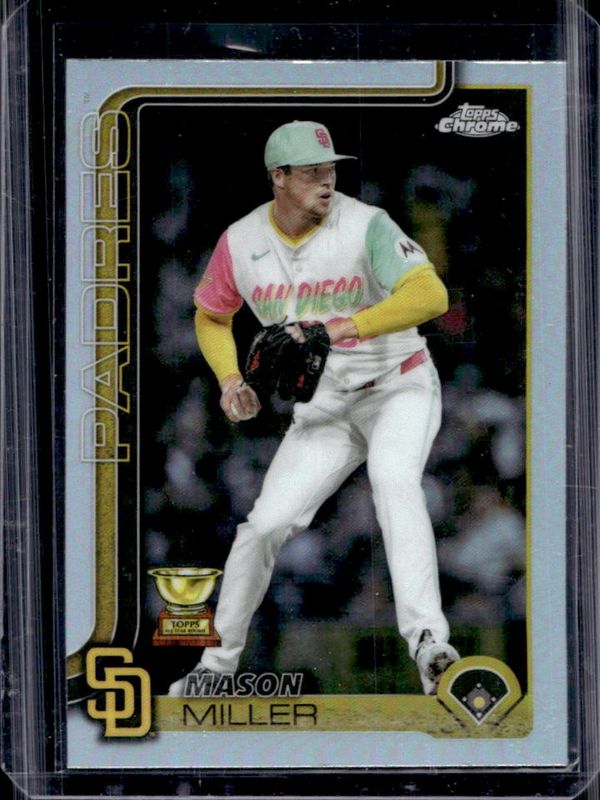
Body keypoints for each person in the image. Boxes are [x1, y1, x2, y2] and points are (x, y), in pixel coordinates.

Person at [168, 120, 459, 697]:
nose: (327, 181)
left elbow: (431, 295)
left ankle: (429, 642)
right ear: (278, 177)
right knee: (264, 526)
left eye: (331, 170)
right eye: (311, 173)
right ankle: (214, 668)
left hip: (397, 385)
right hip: (324, 408)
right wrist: (229, 380)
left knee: (394, 481)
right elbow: (212, 315)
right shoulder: (241, 241)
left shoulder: (366, 224)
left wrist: (342, 326)